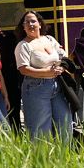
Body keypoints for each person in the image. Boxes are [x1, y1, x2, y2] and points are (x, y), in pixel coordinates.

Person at [14, 10, 73, 140]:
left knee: (65, 122)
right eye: (27, 22)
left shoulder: (50, 39)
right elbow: (23, 69)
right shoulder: (23, 45)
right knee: (40, 128)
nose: (30, 24)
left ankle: (64, 152)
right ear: (23, 27)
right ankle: (42, 153)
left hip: (57, 86)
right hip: (35, 88)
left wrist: (62, 67)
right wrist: (46, 72)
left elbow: (63, 56)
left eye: (33, 21)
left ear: (40, 24)